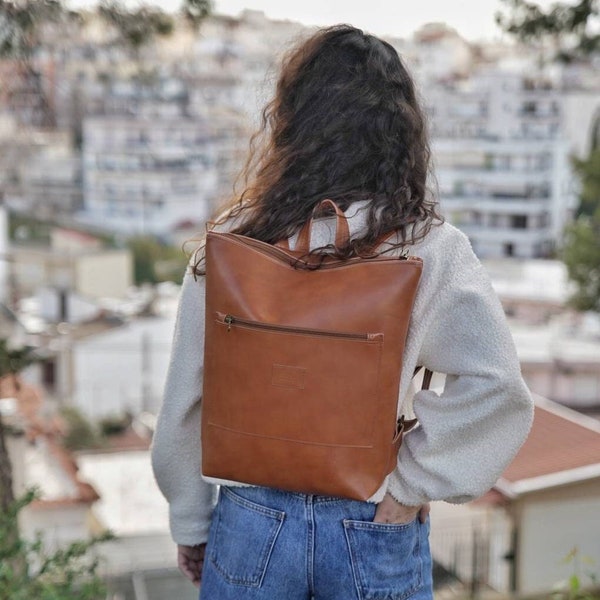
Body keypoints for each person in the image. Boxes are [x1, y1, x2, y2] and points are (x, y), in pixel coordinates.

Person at [151, 25, 534, 599]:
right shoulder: (427, 246)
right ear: (399, 129)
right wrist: (410, 487)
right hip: (373, 516)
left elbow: (186, 394)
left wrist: (190, 520)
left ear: (292, 121)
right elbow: (497, 389)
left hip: (252, 520)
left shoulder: (236, 239)